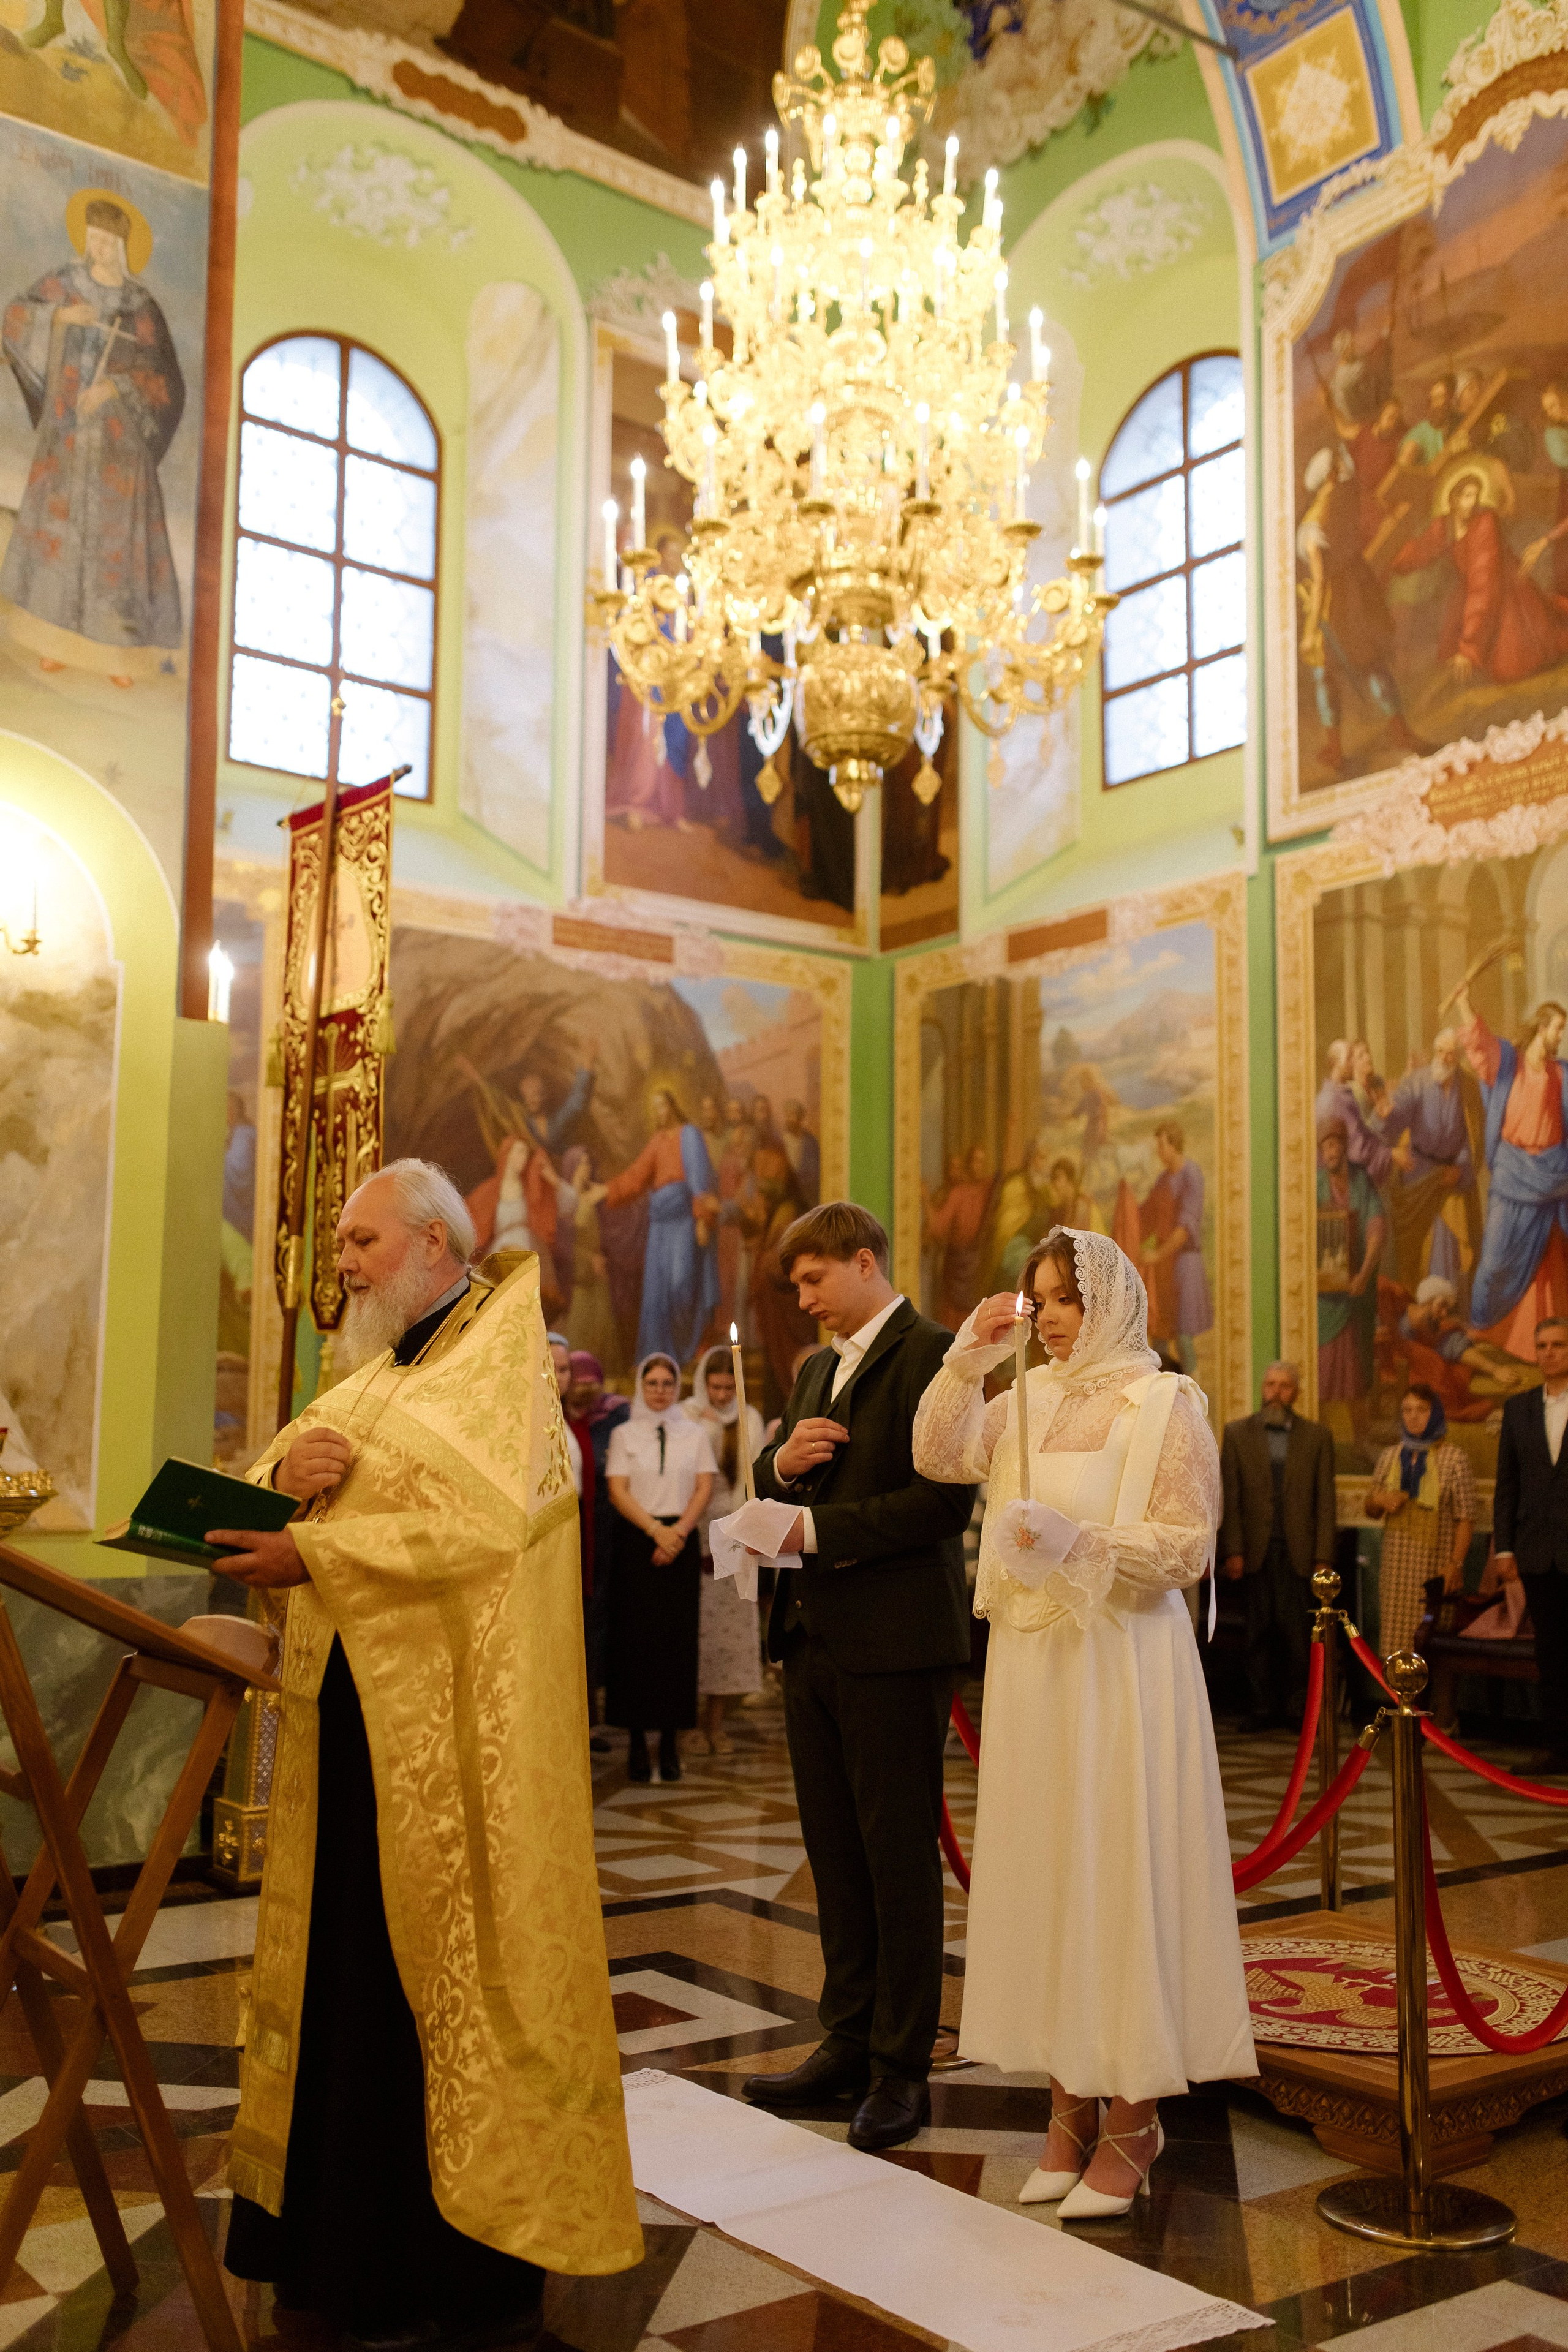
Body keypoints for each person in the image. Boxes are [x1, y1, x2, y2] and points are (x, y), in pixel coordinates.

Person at [217, 1159, 639, 2342]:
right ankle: (333, 2252)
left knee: (419, 2001)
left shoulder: (500, 1369)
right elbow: (269, 1483)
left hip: (451, 1765)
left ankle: (445, 2264)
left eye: (360, 1242)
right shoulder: (369, 1381)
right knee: (344, 1985)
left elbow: (496, 1527)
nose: (341, 1263)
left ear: (438, 1245)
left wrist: (320, 1556)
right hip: (345, 1741)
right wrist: (276, 1482)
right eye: (342, 1242)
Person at [911, 1227, 1252, 2218]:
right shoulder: (1023, 1400)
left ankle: (1135, 2117)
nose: (1050, 1317)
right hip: (1036, 1666)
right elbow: (936, 1453)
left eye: (1064, 1299)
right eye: (1038, 1300)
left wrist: (1082, 1540)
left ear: (1109, 1303)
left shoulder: (1164, 1402)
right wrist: (969, 1353)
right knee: (1051, 1873)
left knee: (1117, 1869)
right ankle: (1066, 2110)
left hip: (1123, 1665)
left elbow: (1187, 1544)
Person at [744, 1203, 975, 2152]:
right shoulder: (814, 1370)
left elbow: (942, 1502)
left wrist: (819, 1531)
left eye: (814, 1282)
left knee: (895, 1861)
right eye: (796, 1287)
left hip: (893, 1642)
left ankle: (899, 2067)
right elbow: (779, 1481)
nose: (805, 1304)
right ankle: (844, 2041)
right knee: (834, 1855)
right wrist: (776, 1463)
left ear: (866, 1261)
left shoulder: (938, 1355)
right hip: (812, 1639)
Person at [2, 195, 184, 686]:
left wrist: (114, 387)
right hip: (65, 435)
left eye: (108, 243)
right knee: (62, 539)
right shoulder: (65, 284)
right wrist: (63, 319)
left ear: (124, 247)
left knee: (114, 550)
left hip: (119, 453)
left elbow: (165, 379)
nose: (98, 249)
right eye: (93, 239)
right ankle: (54, 643)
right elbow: (16, 318)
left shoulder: (140, 307)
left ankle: (119, 659)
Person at [604, 1352, 715, 1783]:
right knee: (635, 1644)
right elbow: (617, 1490)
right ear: (641, 1386)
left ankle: (669, 1744)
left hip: (682, 1540)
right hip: (638, 1541)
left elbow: (704, 1486)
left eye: (667, 1383)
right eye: (652, 1383)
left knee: (675, 1643)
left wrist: (679, 1533)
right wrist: (656, 1531)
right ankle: (635, 1743)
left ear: (677, 1387)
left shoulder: (696, 1434)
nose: (660, 1390)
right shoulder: (624, 1433)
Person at [1219, 1362, 1338, 1731]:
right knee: (1257, 1635)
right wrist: (1233, 1550)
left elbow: (1325, 1501)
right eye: (1270, 1384)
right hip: (1254, 1552)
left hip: (1300, 1554)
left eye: (1285, 1386)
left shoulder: (1317, 1437)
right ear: (1262, 1388)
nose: (1276, 1392)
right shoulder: (1237, 1434)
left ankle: (1297, 1710)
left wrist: (1323, 1557)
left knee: (1296, 1636)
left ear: (1296, 1393)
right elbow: (1232, 1498)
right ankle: (1261, 1709)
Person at [1453, 990, 1568, 1357]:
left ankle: (1539, 1342)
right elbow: (1481, 1045)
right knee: (1494, 1262)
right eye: (1558, 1030)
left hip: (1551, 1177)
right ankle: (1487, 1329)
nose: (1561, 1037)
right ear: (1542, 1028)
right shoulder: (1509, 1064)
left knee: (1547, 1261)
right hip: (1513, 1173)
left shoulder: (1561, 1074)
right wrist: (1464, 1004)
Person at [1297, 443, 1420, 775]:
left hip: (1336, 601)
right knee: (1373, 662)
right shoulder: (1346, 503)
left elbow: (1321, 581)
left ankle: (1336, 748)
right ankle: (1400, 732)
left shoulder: (1314, 523)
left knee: (1324, 672)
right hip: (1359, 590)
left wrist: (1309, 633)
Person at [1391, 460, 1568, 685]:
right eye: (1465, 496)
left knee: (1510, 665)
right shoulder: (1444, 525)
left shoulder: (1485, 524)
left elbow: (1484, 584)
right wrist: (1395, 563)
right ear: (1452, 498)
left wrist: (1469, 648)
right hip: (1474, 590)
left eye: (1474, 496)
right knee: (1448, 651)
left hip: (1505, 592)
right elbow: (1422, 549)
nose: (1470, 503)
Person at [598, 1088, 721, 1364]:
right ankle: (661, 1357)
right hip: (660, 1225)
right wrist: (607, 1191)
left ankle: (688, 1347)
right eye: (654, 1107)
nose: (658, 1112)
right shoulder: (657, 1141)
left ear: (673, 1107)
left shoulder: (688, 1134)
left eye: (662, 1105)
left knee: (681, 1284)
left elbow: (700, 1179)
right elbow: (636, 1176)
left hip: (683, 1220)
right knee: (656, 1292)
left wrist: (702, 1218)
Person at [1493, 1316, 1568, 1764]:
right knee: (1551, 1655)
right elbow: (1508, 1483)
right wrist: (1504, 1548)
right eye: (1542, 1345)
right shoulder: (1518, 1407)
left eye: (1558, 1345)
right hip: (1538, 1553)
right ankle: (1557, 1745)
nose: (1549, 1353)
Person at [685, 1346, 764, 1751]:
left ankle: (715, 1723)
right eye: (714, 1387)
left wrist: (736, 1536)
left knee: (725, 1634)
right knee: (689, 1632)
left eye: (727, 1388)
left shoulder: (748, 1417)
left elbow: (749, 1481)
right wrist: (709, 1429)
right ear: (703, 1383)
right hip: (690, 1526)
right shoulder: (687, 1415)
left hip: (731, 1530)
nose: (720, 1396)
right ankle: (687, 1726)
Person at [1363, 1383, 1476, 1659]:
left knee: (1433, 1652)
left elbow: (1466, 1517)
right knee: (1395, 1653)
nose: (1413, 1417)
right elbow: (1370, 1508)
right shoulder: (1390, 1457)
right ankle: (1401, 1703)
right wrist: (1381, 1500)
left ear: (1436, 1413)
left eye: (1422, 1410)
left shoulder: (1454, 1459)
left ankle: (1431, 1704)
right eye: (1407, 1410)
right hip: (1395, 1573)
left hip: (1435, 1570)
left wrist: (1456, 1565)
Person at [1383, 1030, 1482, 1295]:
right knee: (1414, 1242)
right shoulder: (1418, 1081)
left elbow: (1472, 1137)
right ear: (1435, 1051)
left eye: (1451, 1053)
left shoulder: (1468, 1086)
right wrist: (1388, 1113)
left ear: (1458, 1056)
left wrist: (1460, 1168)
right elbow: (1398, 1113)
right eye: (1440, 1051)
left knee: (1450, 1235)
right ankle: (1416, 1302)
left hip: (1452, 1175)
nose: (1445, 1058)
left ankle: (1450, 1304)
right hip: (1419, 1174)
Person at [567, 1349, 629, 1752]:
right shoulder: (563, 1420)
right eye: (578, 1380)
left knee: (597, 1621)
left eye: (593, 1382)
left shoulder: (614, 1416)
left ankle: (593, 1716)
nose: (586, 1389)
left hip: (607, 1530)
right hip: (575, 1528)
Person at [1317, 1116, 1386, 1460]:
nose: (1329, 1151)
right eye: (1324, 1146)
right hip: (1325, 1301)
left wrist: (1364, 1272)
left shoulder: (1361, 1180)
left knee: (1356, 1372)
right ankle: (1321, 1446)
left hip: (1357, 1294)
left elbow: (1376, 1227)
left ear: (1344, 1146)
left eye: (1334, 1144)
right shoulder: (1315, 1185)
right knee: (1324, 1374)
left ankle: (1361, 1441)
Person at [1139, 1122, 1212, 1378]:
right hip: (1164, 1269)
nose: (1158, 1151)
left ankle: (1196, 1400)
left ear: (1174, 1144)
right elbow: (1146, 1216)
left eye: (1161, 1145)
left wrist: (1157, 1255)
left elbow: (1185, 1228)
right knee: (1160, 1334)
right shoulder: (1163, 1179)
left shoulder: (1192, 1174)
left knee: (1183, 1335)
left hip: (1185, 1265)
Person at [921, 1144, 996, 1332]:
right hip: (957, 1265)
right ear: (969, 1164)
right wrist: (925, 1199)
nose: (979, 1166)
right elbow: (937, 1228)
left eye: (983, 1162)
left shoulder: (991, 1192)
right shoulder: (958, 1193)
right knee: (953, 1322)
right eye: (975, 1161)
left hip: (978, 1267)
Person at [782, 1099, 821, 1207]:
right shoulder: (780, 1141)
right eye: (788, 1115)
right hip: (786, 1194)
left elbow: (816, 1171)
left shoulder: (811, 1141)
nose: (790, 1119)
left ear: (800, 1118)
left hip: (807, 1195)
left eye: (793, 1115)